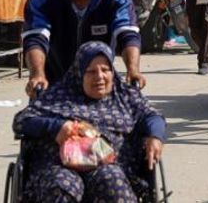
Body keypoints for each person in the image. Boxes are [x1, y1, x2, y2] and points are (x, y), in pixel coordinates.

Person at [12, 41, 166, 202]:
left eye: (105, 70)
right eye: (91, 71)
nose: (99, 77)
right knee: (61, 185)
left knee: (112, 181)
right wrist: (57, 127)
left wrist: (155, 136)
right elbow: (22, 121)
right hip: (59, 165)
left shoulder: (126, 97)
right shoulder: (57, 97)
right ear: (79, 74)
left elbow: (152, 116)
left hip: (112, 166)